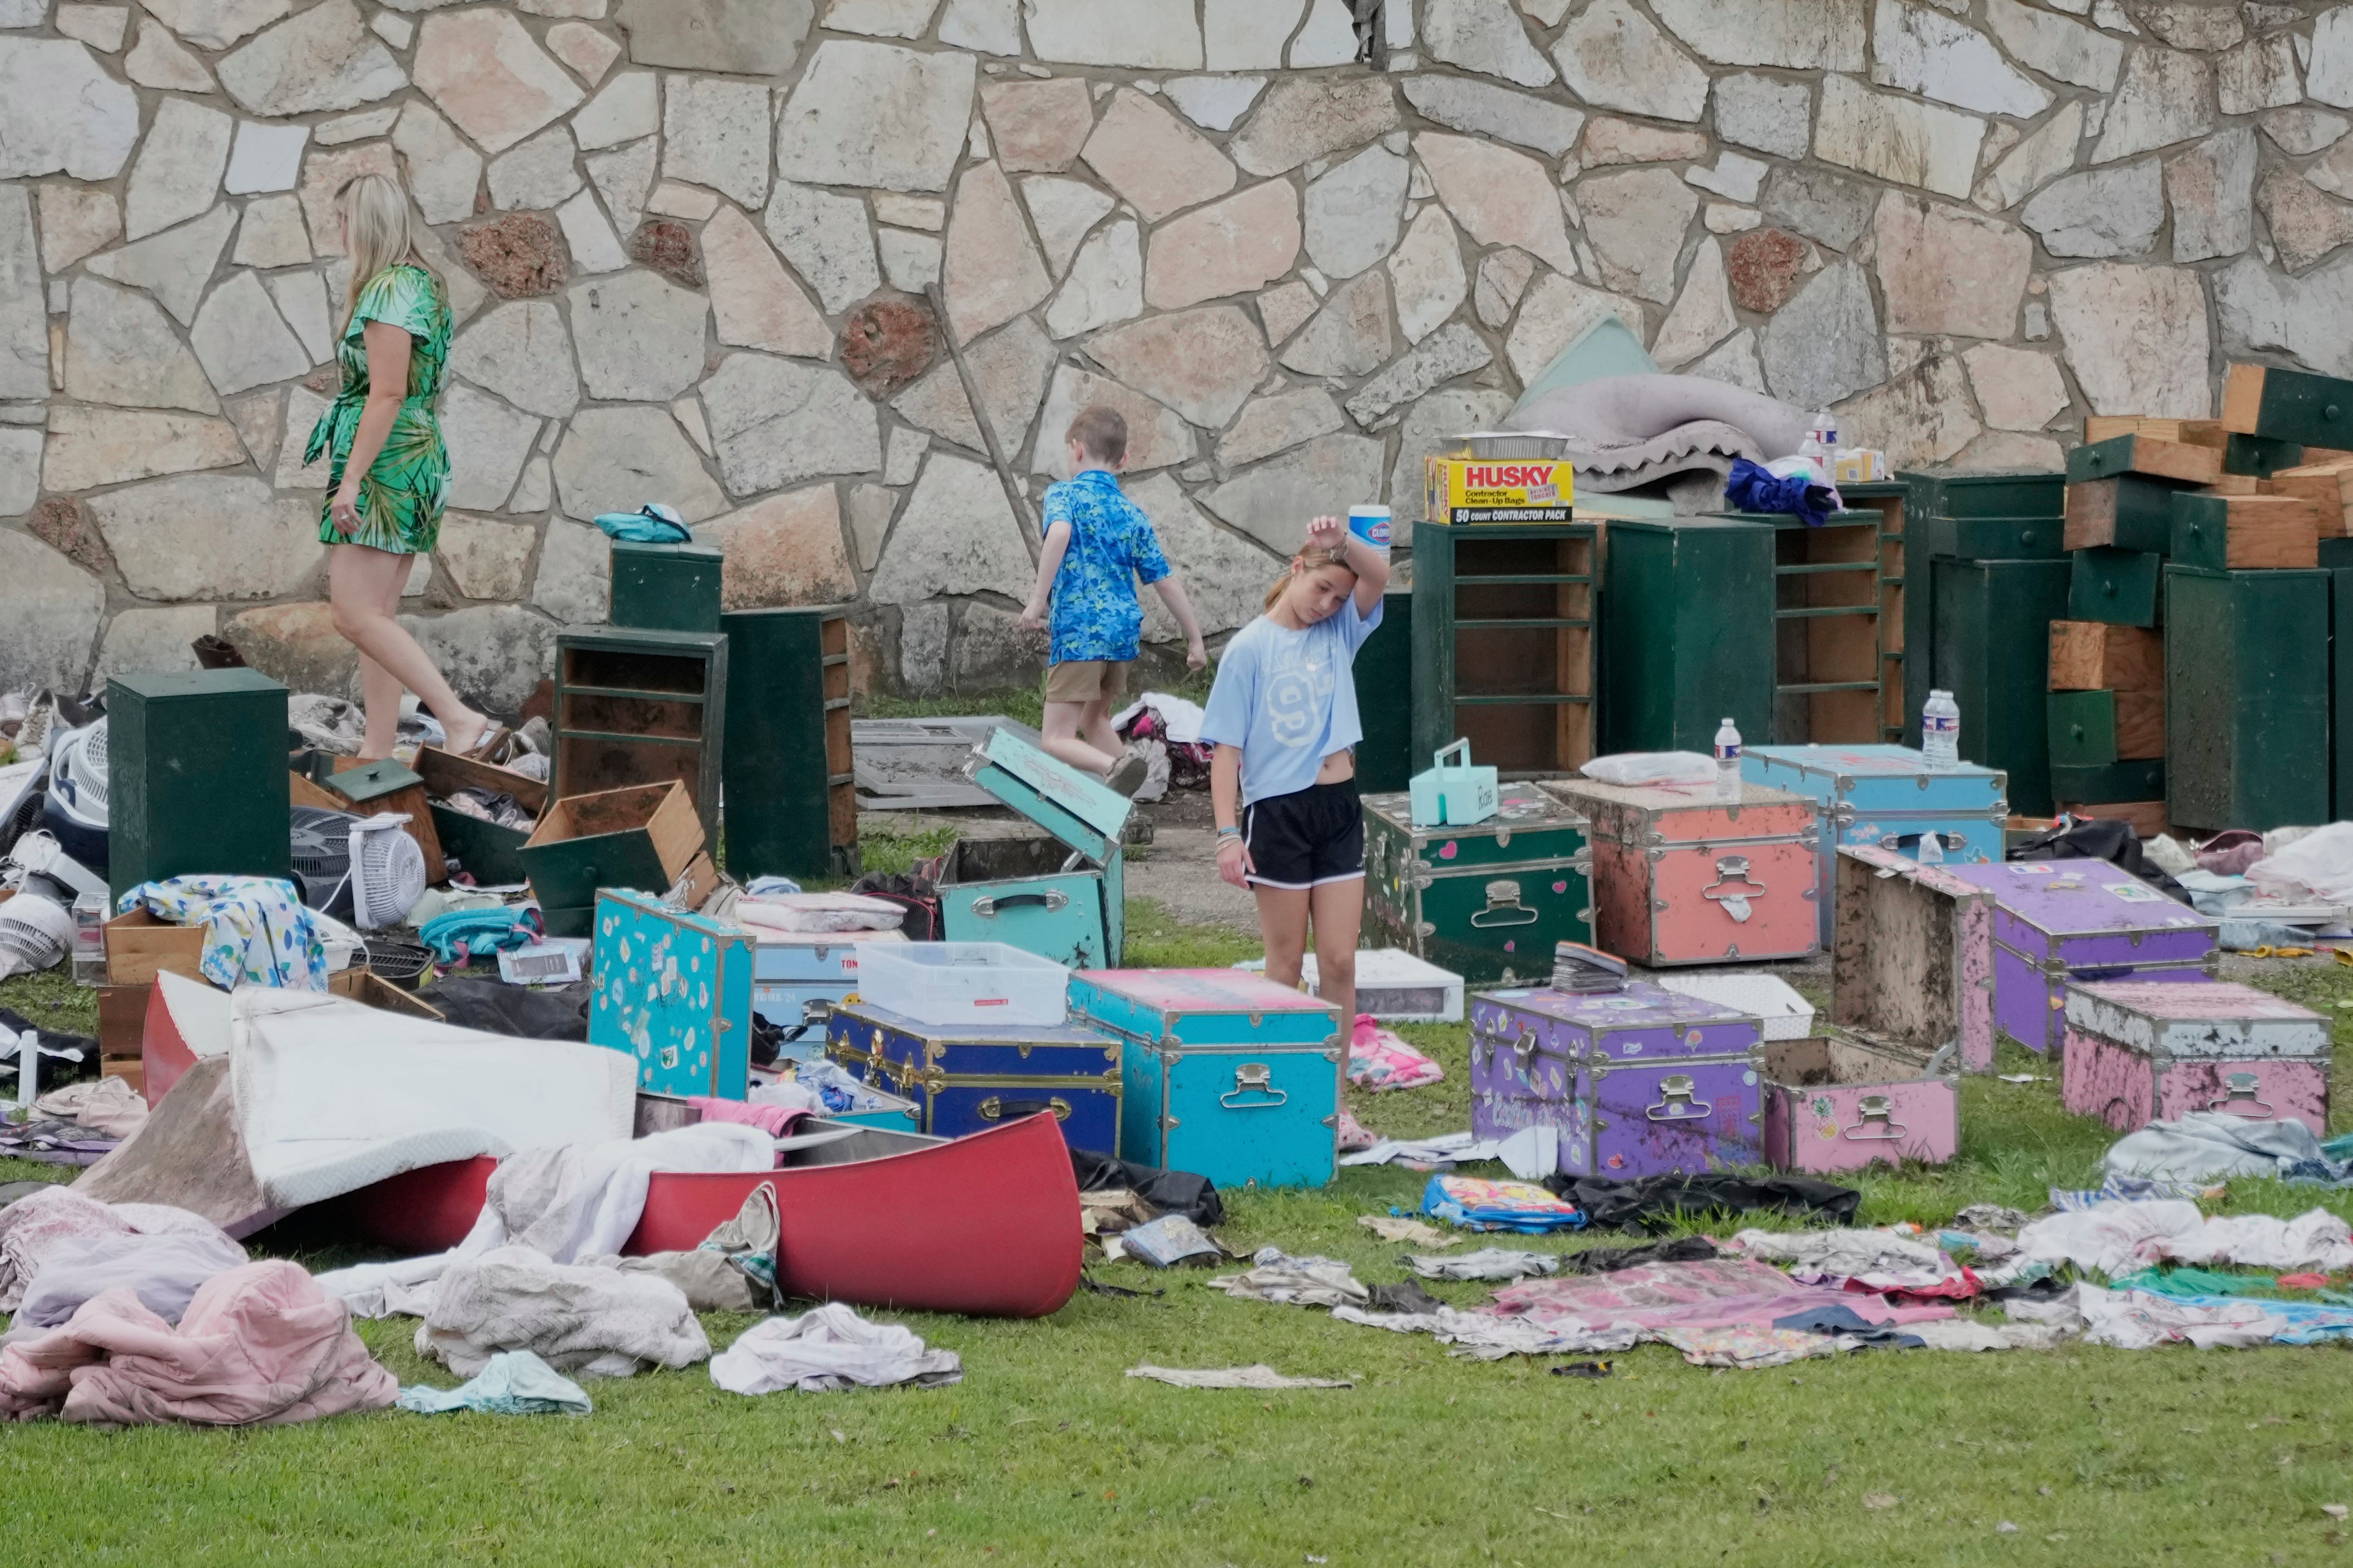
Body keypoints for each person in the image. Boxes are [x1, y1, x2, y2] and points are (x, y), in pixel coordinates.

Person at [309, 172, 501, 762]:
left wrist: (351, 479)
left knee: (352, 613)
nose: (337, 231)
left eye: (341, 220)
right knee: (377, 617)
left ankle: (459, 719)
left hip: (389, 460)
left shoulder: (389, 289)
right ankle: (377, 749)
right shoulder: (421, 283)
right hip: (412, 453)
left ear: (360, 223)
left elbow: (387, 393)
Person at [1198, 515, 1390, 1027]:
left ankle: (1334, 1099)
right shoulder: (1248, 649)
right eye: (1322, 588)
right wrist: (1225, 837)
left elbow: (1379, 578)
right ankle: (1269, 1085)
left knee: (1339, 961)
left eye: (1338, 599)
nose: (1326, 605)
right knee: (1283, 966)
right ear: (1296, 567)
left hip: (1339, 808)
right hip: (1278, 813)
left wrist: (1343, 543)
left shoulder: (1338, 632)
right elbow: (1226, 752)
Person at [1019, 406, 1206, 796]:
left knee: (1055, 738)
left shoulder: (1064, 494)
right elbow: (1165, 581)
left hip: (1080, 632)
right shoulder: (1131, 514)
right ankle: (1141, 793)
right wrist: (1195, 639)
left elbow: (1058, 536)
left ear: (1075, 450)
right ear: (1123, 461)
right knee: (1095, 718)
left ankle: (1116, 765)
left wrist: (1038, 600)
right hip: (1122, 635)